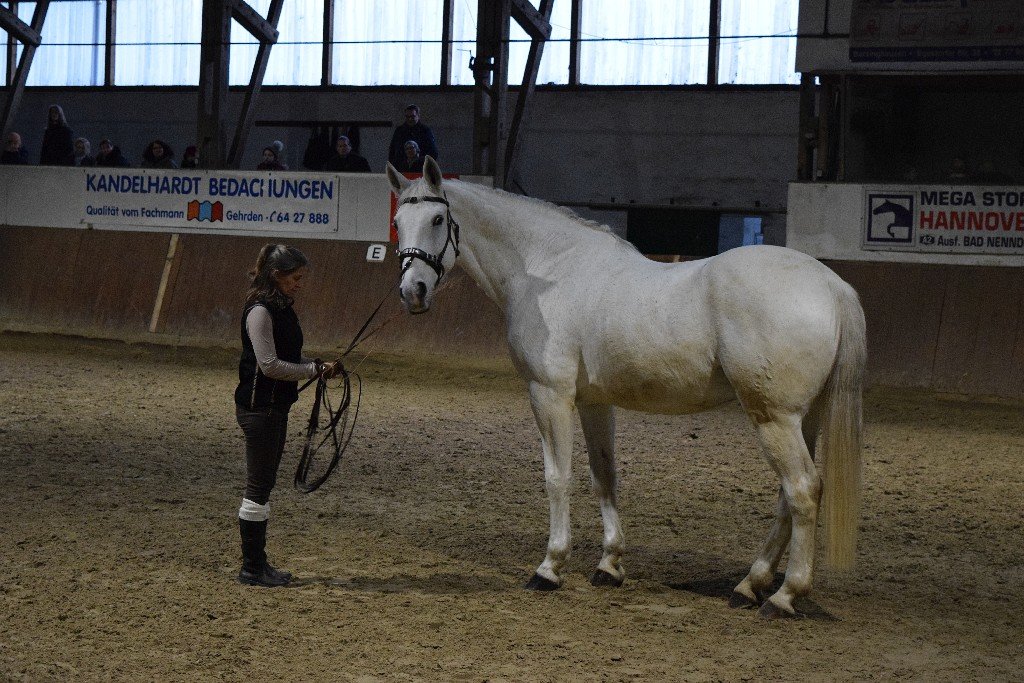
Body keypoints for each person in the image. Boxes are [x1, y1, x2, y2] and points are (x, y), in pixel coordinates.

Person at [233, 244, 340, 587]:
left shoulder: (281, 308)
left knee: (263, 485)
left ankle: (257, 564)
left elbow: (288, 358)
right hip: (259, 408)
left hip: (274, 407)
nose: (299, 284)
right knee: (258, 485)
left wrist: (318, 366)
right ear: (276, 275)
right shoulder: (260, 311)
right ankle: (252, 568)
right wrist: (312, 370)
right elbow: (269, 365)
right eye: (295, 278)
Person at [388, 104, 438, 168]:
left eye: (412, 116)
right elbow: (392, 150)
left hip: (420, 169)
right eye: (407, 117)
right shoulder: (399, 131)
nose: (410, 119)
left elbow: (433, 153)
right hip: (402, 169)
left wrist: (419, 162)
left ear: (418, 116)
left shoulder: (425, 131)